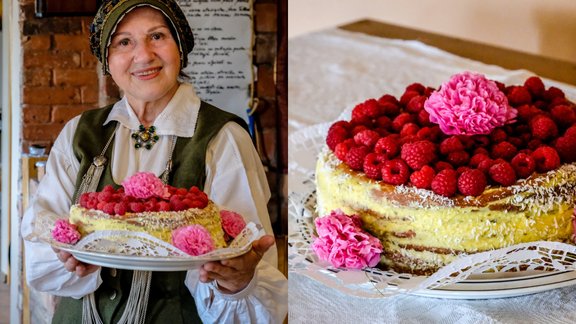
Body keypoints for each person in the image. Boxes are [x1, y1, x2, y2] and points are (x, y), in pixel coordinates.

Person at [20, 0, 287, 323]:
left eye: (157, 36)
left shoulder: (224, 137)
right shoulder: (79, 134)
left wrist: (238, 282)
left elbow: (245, 262)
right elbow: (41, 239)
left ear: (180, 48)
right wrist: (66, 259)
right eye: (124, 42)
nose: (144, 55)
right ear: (107, 59)